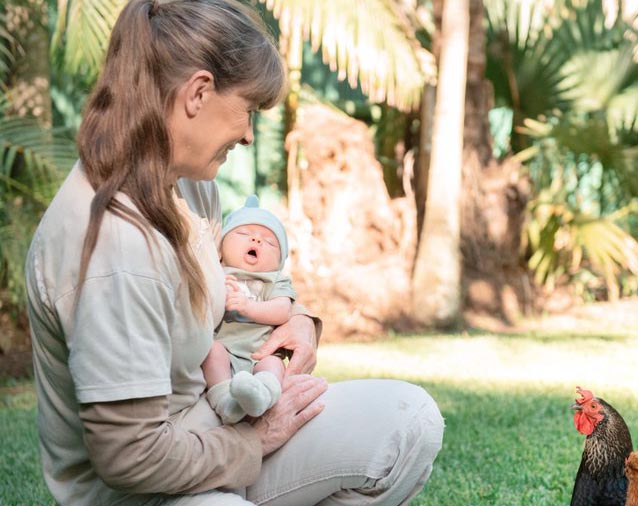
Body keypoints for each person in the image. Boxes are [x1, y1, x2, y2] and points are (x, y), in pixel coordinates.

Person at [25, 1, 444, 505]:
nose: (248, 134)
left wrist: (300, 323)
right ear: (198, 93)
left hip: (221, 419)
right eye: (246, 111)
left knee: (407, 421)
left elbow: (238, 285)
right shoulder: (112, 246)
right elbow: (128, 457)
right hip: (144, 490)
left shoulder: (190, 184)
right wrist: (255, 439)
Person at [204, 195, 295, 424]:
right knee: (212, 352)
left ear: (279, 261)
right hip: (225, 347)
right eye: (244, 234)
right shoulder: (217, 272)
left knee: (273, 365)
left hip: (259, 352)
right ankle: (226, 401)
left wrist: (249, 307)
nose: (256, 240)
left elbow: (282, 311)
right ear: (222, 248)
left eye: (269, 241)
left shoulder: (275, 280)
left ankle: (262, 395)